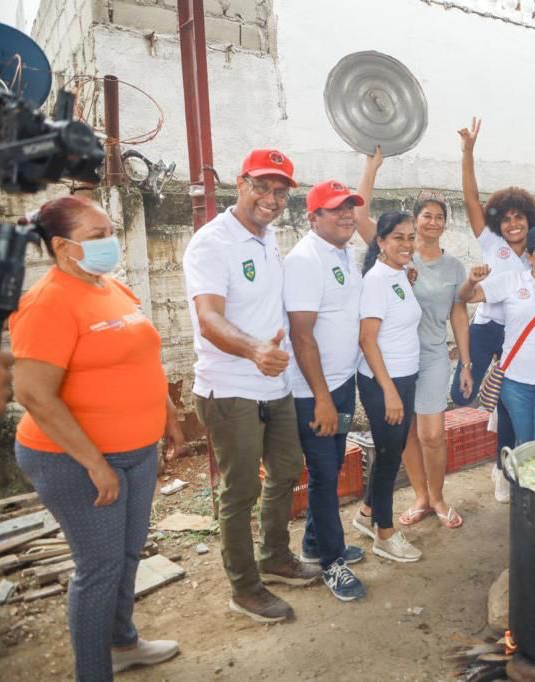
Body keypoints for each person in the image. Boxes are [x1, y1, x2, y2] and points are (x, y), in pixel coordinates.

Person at [11, 196, 182, 679]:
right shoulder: (47, 303)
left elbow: (141, 358)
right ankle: (94, 671)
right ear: (64, 247)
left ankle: (123, 642)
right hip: (73, 460)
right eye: (97, 236)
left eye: (110, 231)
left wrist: (166, 414)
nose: (110, 242)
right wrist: (94, 463)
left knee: (128, 553)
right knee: (99, 568)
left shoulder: (111, 287)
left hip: (135, 451)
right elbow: (35, 395)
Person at [184, 149, 318, 624]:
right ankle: (244, 588)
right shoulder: (211, 243)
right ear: (240, 183)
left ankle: (275, 557)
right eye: (261, 186)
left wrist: (274, 357)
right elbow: (209, 317)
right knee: (239, 491)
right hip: (230, 387)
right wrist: (254, 351)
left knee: (286, 469)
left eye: (281, 191)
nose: (271, 198)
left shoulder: (269, 238)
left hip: (273, 383)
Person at [356, 152, 471, 531]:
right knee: (403, 432)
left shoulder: (453, 266)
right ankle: (420, 496)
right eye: (427, 215)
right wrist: (372, 168)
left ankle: (437, 496)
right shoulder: (397, 253)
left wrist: (466, 362)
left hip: (434, 355)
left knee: (432, 433)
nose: (433, 222)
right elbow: (359, 217)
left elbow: (458, 312)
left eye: (440, 216)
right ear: (414, 219)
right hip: (395, 358)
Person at [283, 179, 369, 602]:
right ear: (312, 216)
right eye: (335, 209)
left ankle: (316, 545)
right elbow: (301, 335)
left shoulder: (343, 252)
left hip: (340, 379)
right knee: (322, 474)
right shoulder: (304, 260)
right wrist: (320, 397)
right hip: (313, 390)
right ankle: (331, 562)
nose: (346, 215)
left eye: (350, 207)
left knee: (331, 468)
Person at [450, 118, 535, 502]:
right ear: (498, 223)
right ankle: (486, 403)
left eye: (519, 217)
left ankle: (502, 469)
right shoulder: (491, 244)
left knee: (506, 401)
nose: (513, 223)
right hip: (488, 328)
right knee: (460, 395)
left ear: (529, 220)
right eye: (506, 218)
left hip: (518, 337)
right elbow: (471, 199)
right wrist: (468, 152)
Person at [352, 212, 424, 562]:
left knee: (387, 452)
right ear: (380, 241)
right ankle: (385, 533)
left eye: (411, 237)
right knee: (391, 455)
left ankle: (367, 513)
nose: (407, 244)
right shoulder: (377, 280)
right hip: (385, 381)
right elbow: (367, 340)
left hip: (403, 375)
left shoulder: (397, 276)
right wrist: (390, 392)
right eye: (399, 237)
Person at [460, 224, 535, 444]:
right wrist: (471, 280)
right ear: (529, 257)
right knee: (524, 444)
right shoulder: (512, 280)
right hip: (514, 383)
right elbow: (468, 296)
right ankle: (520, 480)